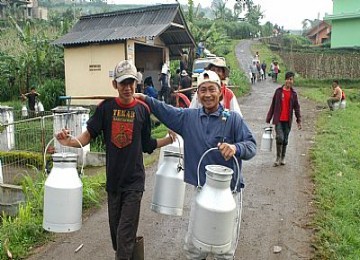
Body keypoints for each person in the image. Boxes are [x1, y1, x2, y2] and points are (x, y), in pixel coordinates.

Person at [55, 60, 176, 260]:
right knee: (117, 237)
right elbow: (88, 136)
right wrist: (69, 141)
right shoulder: (105, 108)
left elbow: (146, 145)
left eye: (131, 83)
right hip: (113, 183)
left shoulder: (143, 110)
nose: (127, 88)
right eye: (123, 83)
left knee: (124, 237)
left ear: (136, 83)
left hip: (134, 183)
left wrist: (168, 139)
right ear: (115, 85)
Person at [134, 70, 257, 259]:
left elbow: (251, 146)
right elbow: (165, 111)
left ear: (221, 93)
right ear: (198, 95)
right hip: (202, 190)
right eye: (203, 90)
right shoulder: (188, 118)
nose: (207, 95)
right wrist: (144, 98)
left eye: (211, 90)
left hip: (229, 192)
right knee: (194, 247)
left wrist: (235, 148)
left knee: (223, 250)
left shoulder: (233, 120)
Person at [266, 71, 302, 167]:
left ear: (293, 81)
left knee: (285, 140)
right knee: (280, 137)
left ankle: (283, 157)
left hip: (288, 121)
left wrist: (298, 120)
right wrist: (269, 117)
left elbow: (297, 108)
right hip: (279, 120)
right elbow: (273, 105)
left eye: (291, 79)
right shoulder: (278, 91)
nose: (289, 81)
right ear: (285, 80)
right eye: (288, 79)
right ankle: (277, 158)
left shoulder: (293, 94)